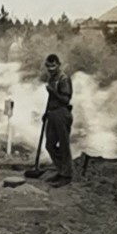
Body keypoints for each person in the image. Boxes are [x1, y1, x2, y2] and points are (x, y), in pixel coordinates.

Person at [43, 54, 73, 187]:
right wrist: (46, 113)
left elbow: (65, 100)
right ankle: (62, 170)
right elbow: (51, 100)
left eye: (53, 66)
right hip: (52, 113)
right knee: (49, 145)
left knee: (64, 146)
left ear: (59, 65)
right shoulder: (52, 78)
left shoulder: (63, 78)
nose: (50, 69)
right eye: (48, 66)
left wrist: (53, 92)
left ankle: (66, 175)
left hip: (62, 113)